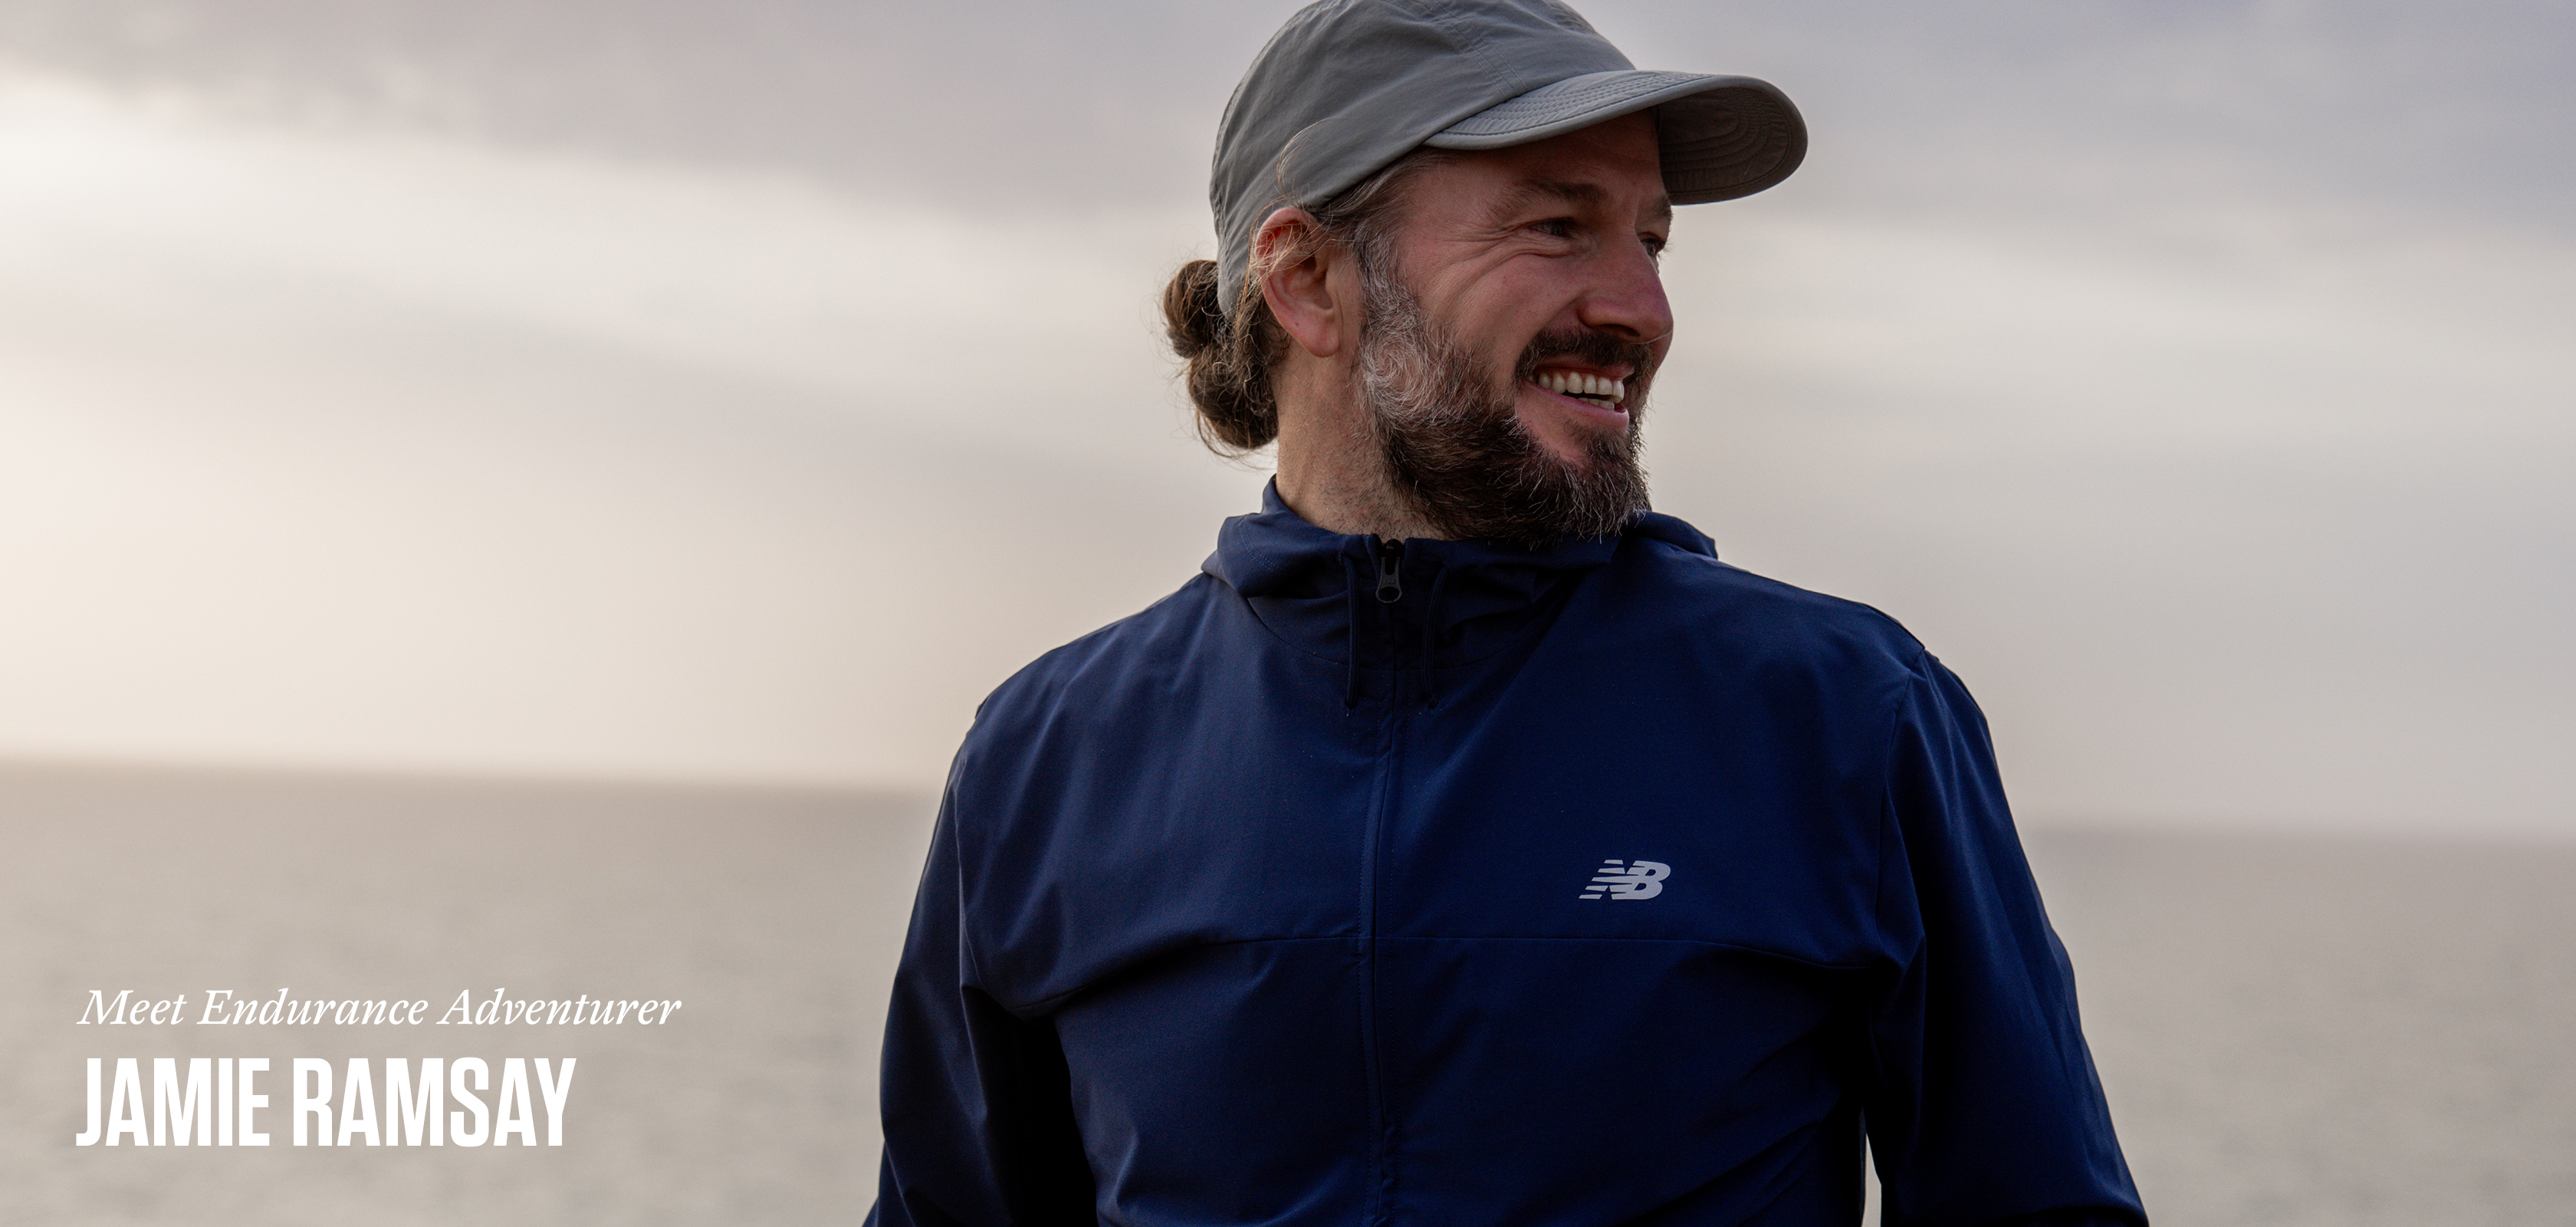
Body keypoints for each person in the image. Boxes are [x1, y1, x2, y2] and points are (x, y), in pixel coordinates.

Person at [869, 2, 2148, 1223]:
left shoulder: (1845, 715)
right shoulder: (1048, 756)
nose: (1639, 310)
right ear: (1309, 279)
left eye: (1649, 241)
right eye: (1556, 227)